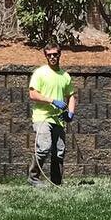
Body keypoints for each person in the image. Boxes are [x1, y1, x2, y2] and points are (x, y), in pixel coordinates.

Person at [27, 43, 77, 185]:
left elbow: (71, 95)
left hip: (59, 119)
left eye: (55, 54)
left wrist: (70, 113)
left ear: (59, 54)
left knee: (59, 151)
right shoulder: (40, 73)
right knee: (43, 147)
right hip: (42, 117)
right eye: (49, 55)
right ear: (46, 56)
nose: (53, 57)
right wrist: (52, 101)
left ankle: (56, 182)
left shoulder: (65, 76)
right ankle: (33, 178)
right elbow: (33, 94)